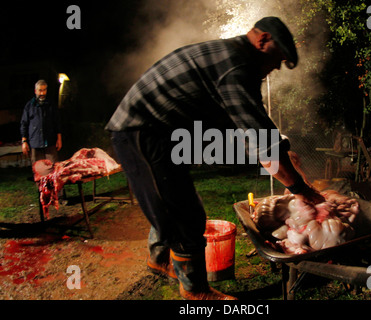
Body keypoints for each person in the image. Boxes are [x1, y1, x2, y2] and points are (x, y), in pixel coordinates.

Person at [105, 16, 324, 300]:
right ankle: (196, 292)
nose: (276, 68)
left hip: (157, 131)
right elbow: (260, 140)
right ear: (263, 40)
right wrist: (300, 190)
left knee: (169, 197)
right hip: (141, 131)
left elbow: (252, 123)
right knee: (186, 212)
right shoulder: (237, 67)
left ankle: (160, 259)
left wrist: (285, 152)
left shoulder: (231, 57)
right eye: (277, 58)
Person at [20, 79, 62, 164]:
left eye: (44, 90)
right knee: (38, 169)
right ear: (35, 91)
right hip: (35, 143)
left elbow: (57, 122)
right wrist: (24, 141)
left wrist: (59, 139)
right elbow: (24, 124)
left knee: (53, 168)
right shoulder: (29, 106)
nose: (42, 93)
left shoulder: (51, 104)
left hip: (50, 142)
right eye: (40, 90)